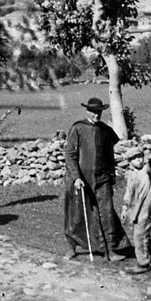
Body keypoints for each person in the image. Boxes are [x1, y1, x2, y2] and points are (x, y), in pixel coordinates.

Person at [63, 97, 130, 261]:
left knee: (106, 213)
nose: (96, 115)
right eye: (93, 112)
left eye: (99, 112)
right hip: (82, 179)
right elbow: (70, 155)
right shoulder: (78, 128)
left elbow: (110, 153)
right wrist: (76, 177)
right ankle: (71, 246)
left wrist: (112, 176)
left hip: (102, 178)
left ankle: (111, 250)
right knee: (77, 213)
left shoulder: (105, 130)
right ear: (87, 111)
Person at [122, 148, 151, 274]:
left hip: (148, 207)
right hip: (137, 207)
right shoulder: (130, 175)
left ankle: (143, 263)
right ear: (129, 161)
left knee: (139, 235)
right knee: (145, 235)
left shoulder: (146, 171)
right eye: (135, 158)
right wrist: (125, 207)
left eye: (140, 156)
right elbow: (129, 192)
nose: (139, 160)